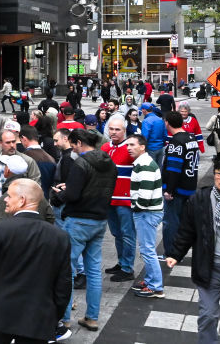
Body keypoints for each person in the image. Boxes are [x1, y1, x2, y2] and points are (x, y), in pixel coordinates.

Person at [0, 179, 72, 344]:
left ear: (22, 200)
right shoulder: (60, 236)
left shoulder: (1, 229)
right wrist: (53, 315)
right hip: (38, 318)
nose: (5, 199)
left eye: (9, 196)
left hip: (0, 315)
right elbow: (63, 283)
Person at [168, 157, 220, 344]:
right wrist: (176, 254)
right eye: (219, 173)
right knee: (207, 315)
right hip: (210, 267)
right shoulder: (200, 199)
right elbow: (187, 230)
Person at [51, 128, 116, 333]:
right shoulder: (108, 161)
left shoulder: (81, 163)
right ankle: (92, 317)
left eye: (73, 144)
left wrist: (61, 193)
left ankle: (65, 318)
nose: (72, 148)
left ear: (78, 143)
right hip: (99, 219)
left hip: (78, 220)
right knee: (94, 271)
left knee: (66, 270)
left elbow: (74, 195)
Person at [125, 134, 164, 298]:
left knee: (148, 250)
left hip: (147, 212)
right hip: (147, 212)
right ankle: (150, 281)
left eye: (132, 145)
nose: (129, 148)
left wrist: (136, 207)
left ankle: (156, 287)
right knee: (147, 249)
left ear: (142, 147)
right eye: (128, 145)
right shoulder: (143, 162)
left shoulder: (145, 165)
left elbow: (145, 195)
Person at [100, 116, 136, 283]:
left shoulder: (131, 149)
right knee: (116, 234)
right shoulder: (105, 147)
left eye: (117, 129)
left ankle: (127, 268)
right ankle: (122, 262)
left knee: (127, 234)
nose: (113, 132)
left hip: (125, 200)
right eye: (111, 129)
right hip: (109, 200)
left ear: (124, 130)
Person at [162, 110, 200, 261]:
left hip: (177, 188)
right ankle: (181, 250)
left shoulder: (176, 142)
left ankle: (171, 253)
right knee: (184, 221)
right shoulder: (191, 137)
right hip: (190, 185)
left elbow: (173, 168)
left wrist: (169, 190)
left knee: (171, 221)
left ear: (167, 123)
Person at [0, 129, 40, 212]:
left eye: (14, 142)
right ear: (0, 143)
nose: (12, 145)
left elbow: (36, 186)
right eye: (8, 142)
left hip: (20, 211)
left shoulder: (27, 161)